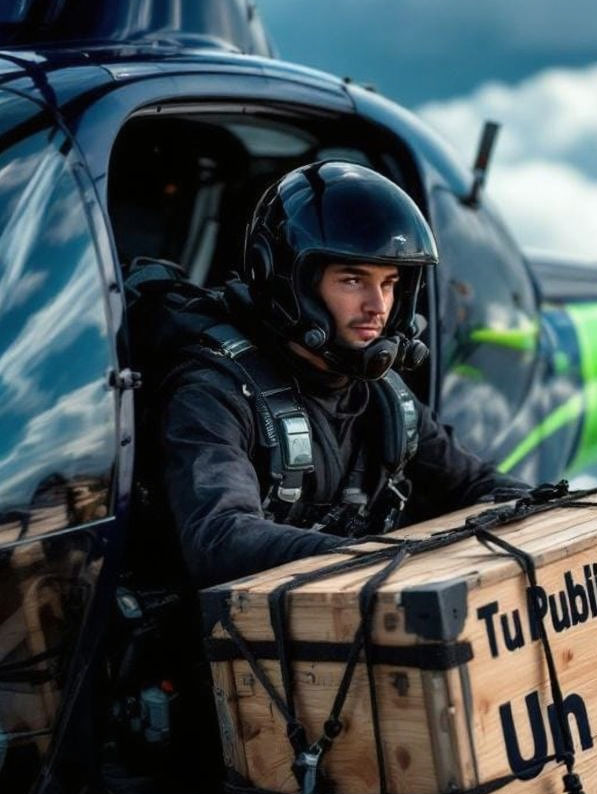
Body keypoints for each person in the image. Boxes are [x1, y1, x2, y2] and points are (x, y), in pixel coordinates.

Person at [160, 160, 529, 589]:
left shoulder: (386, 398)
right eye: (353, 280)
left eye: (389, 283)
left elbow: (477, 484)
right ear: (292, 283)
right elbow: (219, 536)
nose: (378, 307)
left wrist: (551, 508)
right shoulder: (214, 392)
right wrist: (376, 561)